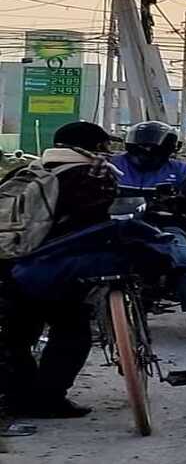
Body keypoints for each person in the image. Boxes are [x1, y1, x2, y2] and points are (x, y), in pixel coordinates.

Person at [1, 121, 118, 419]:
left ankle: (17, 397)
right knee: (71, 331)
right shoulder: (94, 172)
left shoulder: (29, 169)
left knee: (17, 335)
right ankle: (50, 398)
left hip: (13, 260)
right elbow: (93, 223)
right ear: (94, 146)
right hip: (59, 264)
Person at [110, 121, 186, 341]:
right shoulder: (112, 165)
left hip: (163, 226)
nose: (146, 154)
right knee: (83, 259)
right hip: (116, 225)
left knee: (184, 260)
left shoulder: (180, 169)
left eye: (153, 150)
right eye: (140, 149)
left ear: (168, 151)